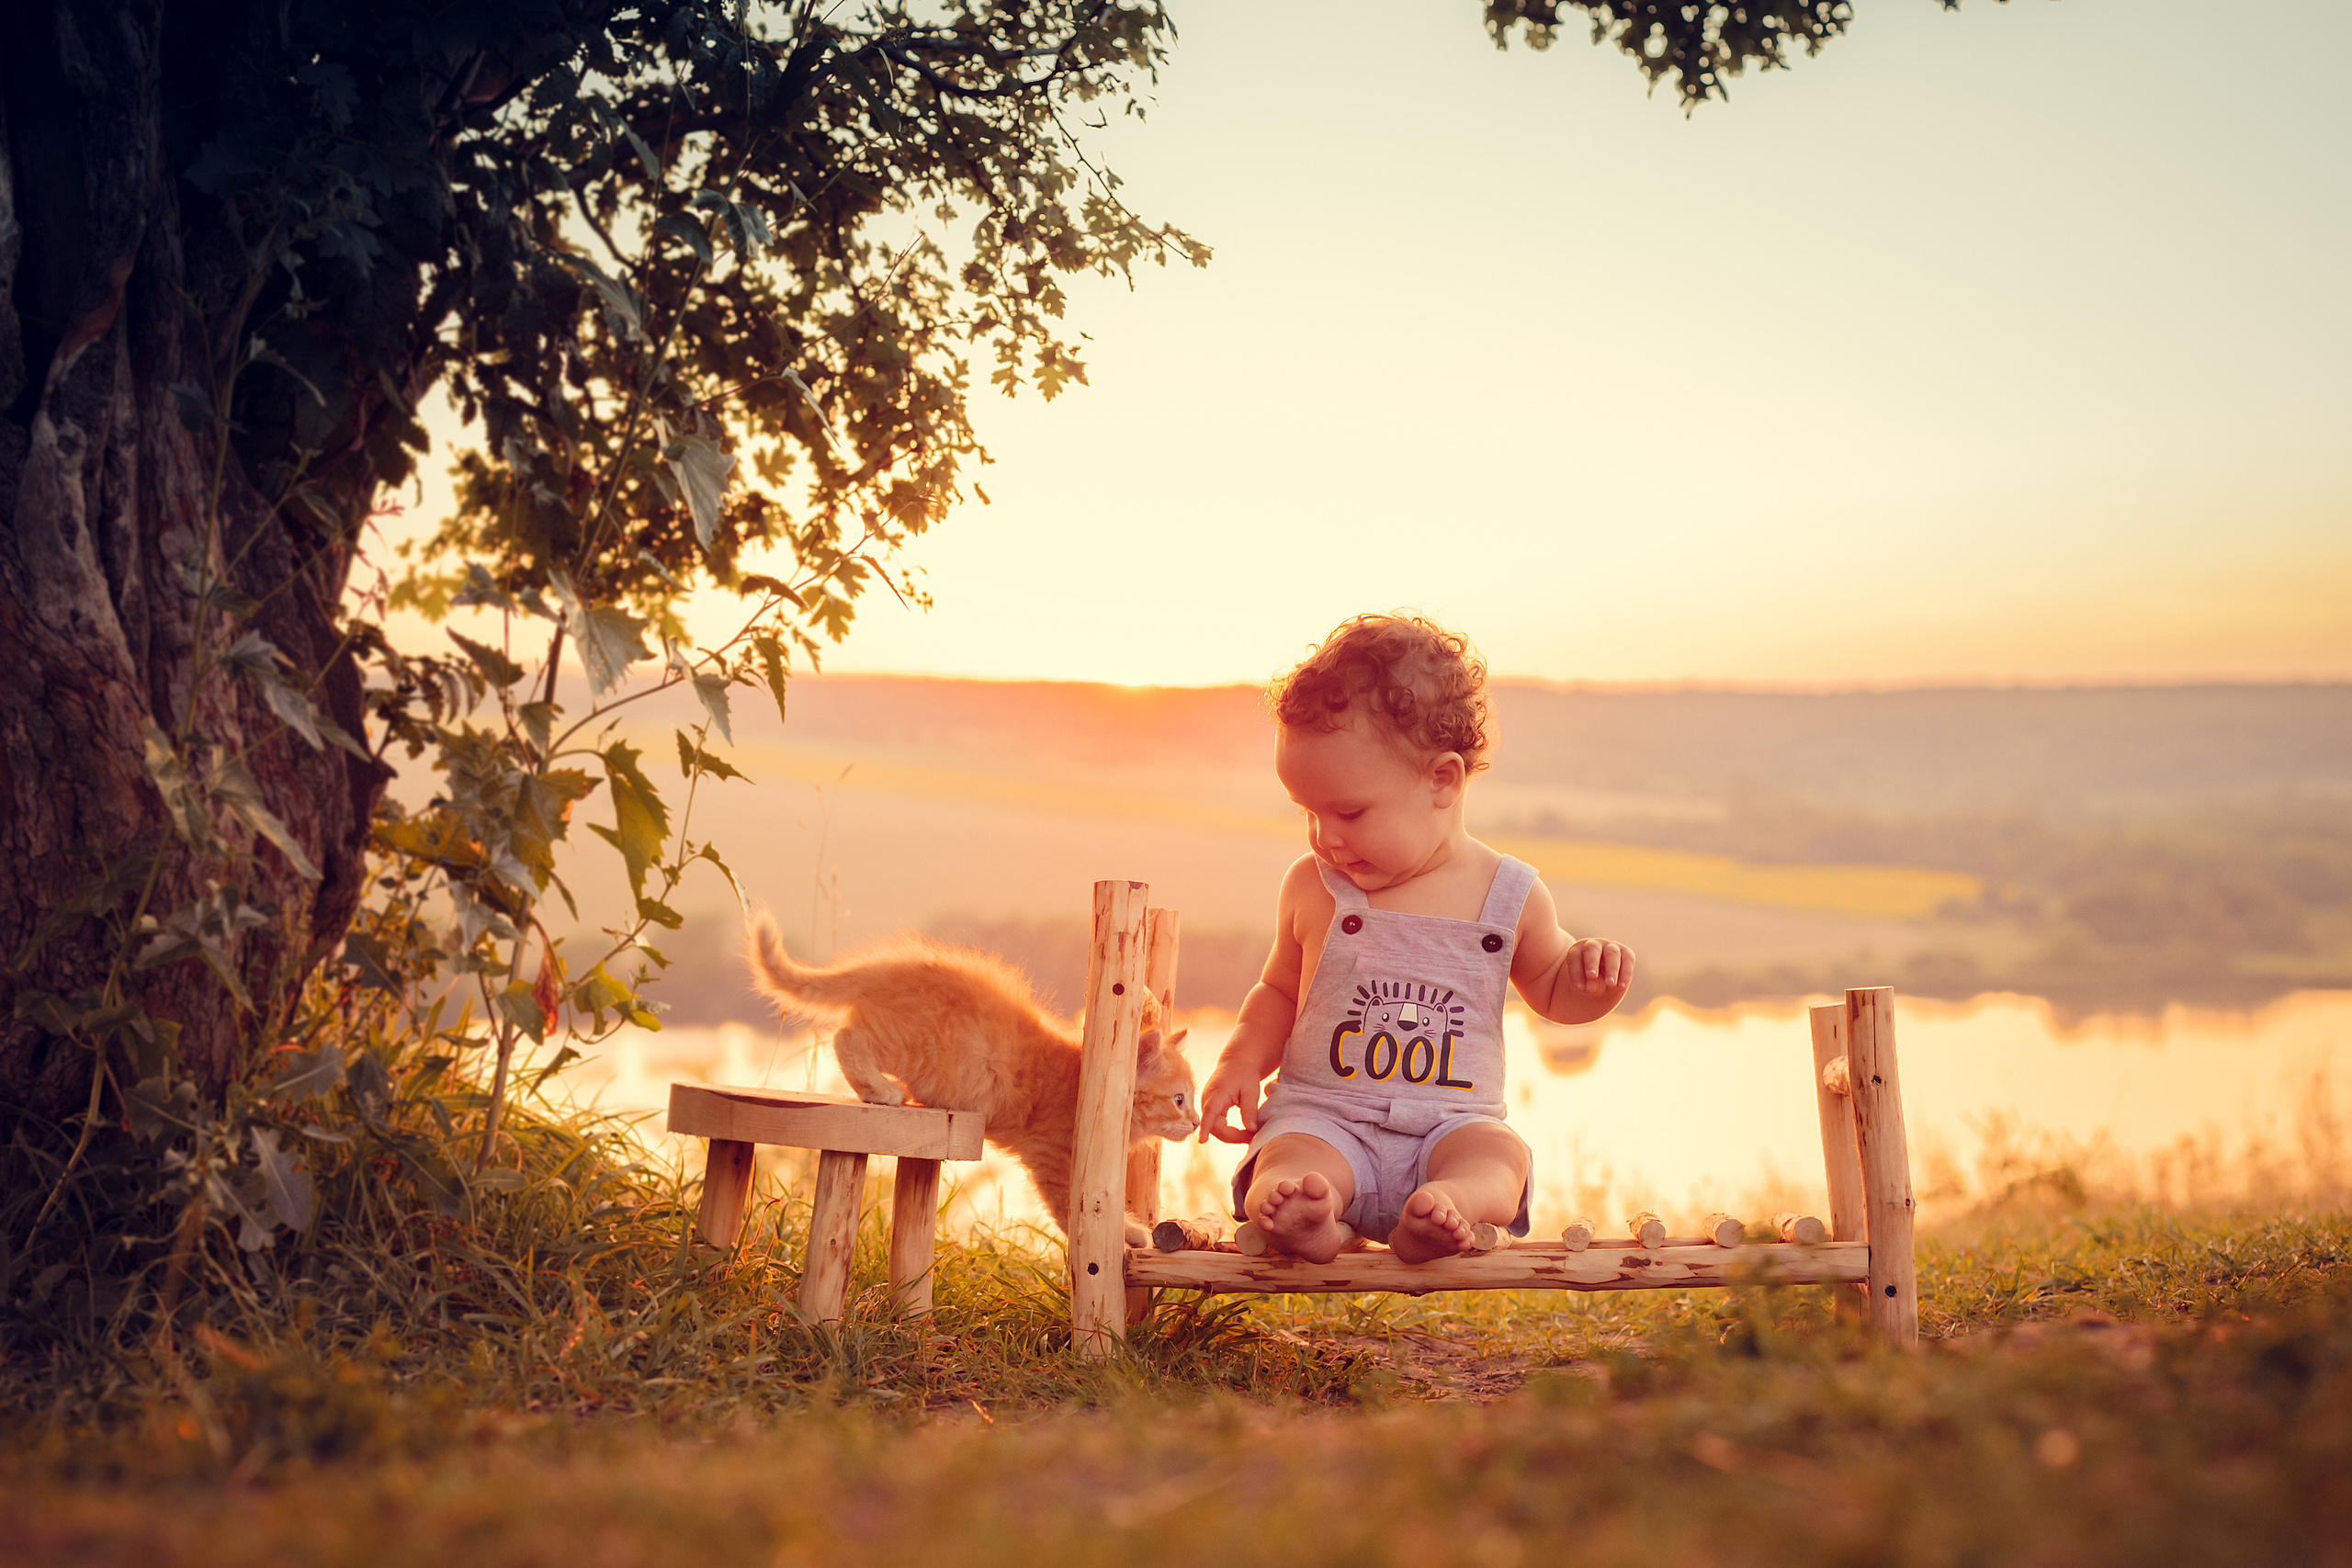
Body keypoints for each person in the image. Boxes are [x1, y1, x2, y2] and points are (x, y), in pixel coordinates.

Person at [1197, 614, 1635, 1263]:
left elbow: (1552, 992)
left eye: (1349, 812)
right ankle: (1310, 1215)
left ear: (1442, 781)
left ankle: (1446, 1206)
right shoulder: (1313, 887)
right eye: (1308, 813)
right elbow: (1279, 992)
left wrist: (1590, 985)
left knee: (1499, 1156)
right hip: (1327, 1118)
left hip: (1450, 1128)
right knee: (1287, 1154)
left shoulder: (1509, 895)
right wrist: (1239, 1062)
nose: (1326, 837)